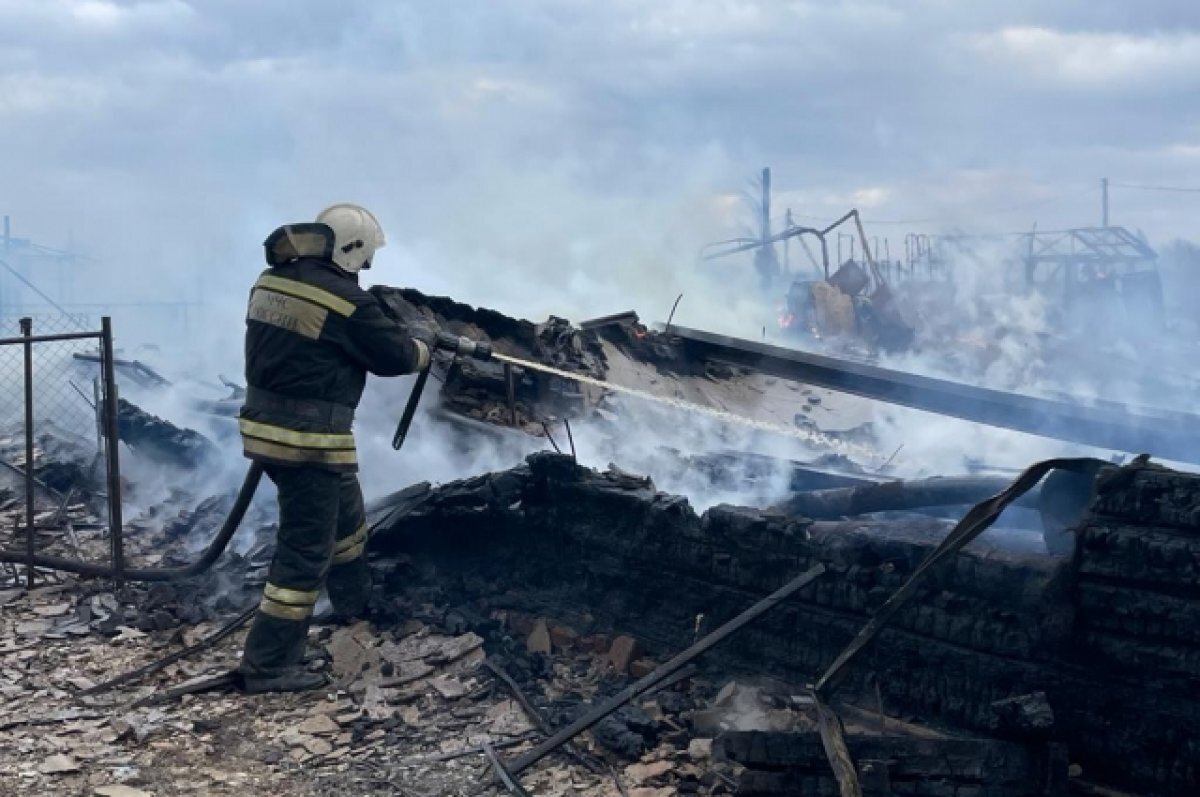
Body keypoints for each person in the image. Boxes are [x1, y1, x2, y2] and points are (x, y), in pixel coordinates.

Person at [236, 203, 432, 693]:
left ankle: (352, 603)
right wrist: (425, 347)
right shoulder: (345, 300)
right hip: (309, 442)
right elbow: (395, 358)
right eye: (366, 260)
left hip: (270, 427)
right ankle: (268, 664)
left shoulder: (273, 280)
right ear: (351, 248)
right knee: (304, 552)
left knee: (347, 521)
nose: (367, 270)